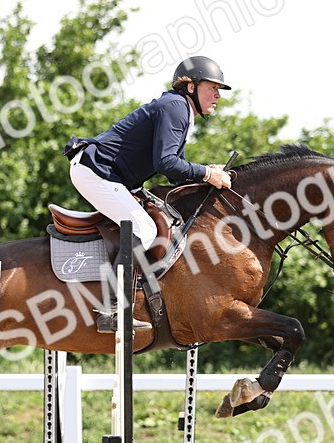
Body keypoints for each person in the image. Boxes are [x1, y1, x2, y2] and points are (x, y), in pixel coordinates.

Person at [63, 55, 233, 332]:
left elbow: (173, 171)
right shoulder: (177, 107)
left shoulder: (179, 109)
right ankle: (114, 310)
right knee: (142, 228)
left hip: (108, 174)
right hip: (96, 171)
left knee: (153, 221)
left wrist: (206, 171)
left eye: (219, 90)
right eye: (212, 87)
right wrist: (206, 173)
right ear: (191, 87)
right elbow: (165, 163)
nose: (218, 95)